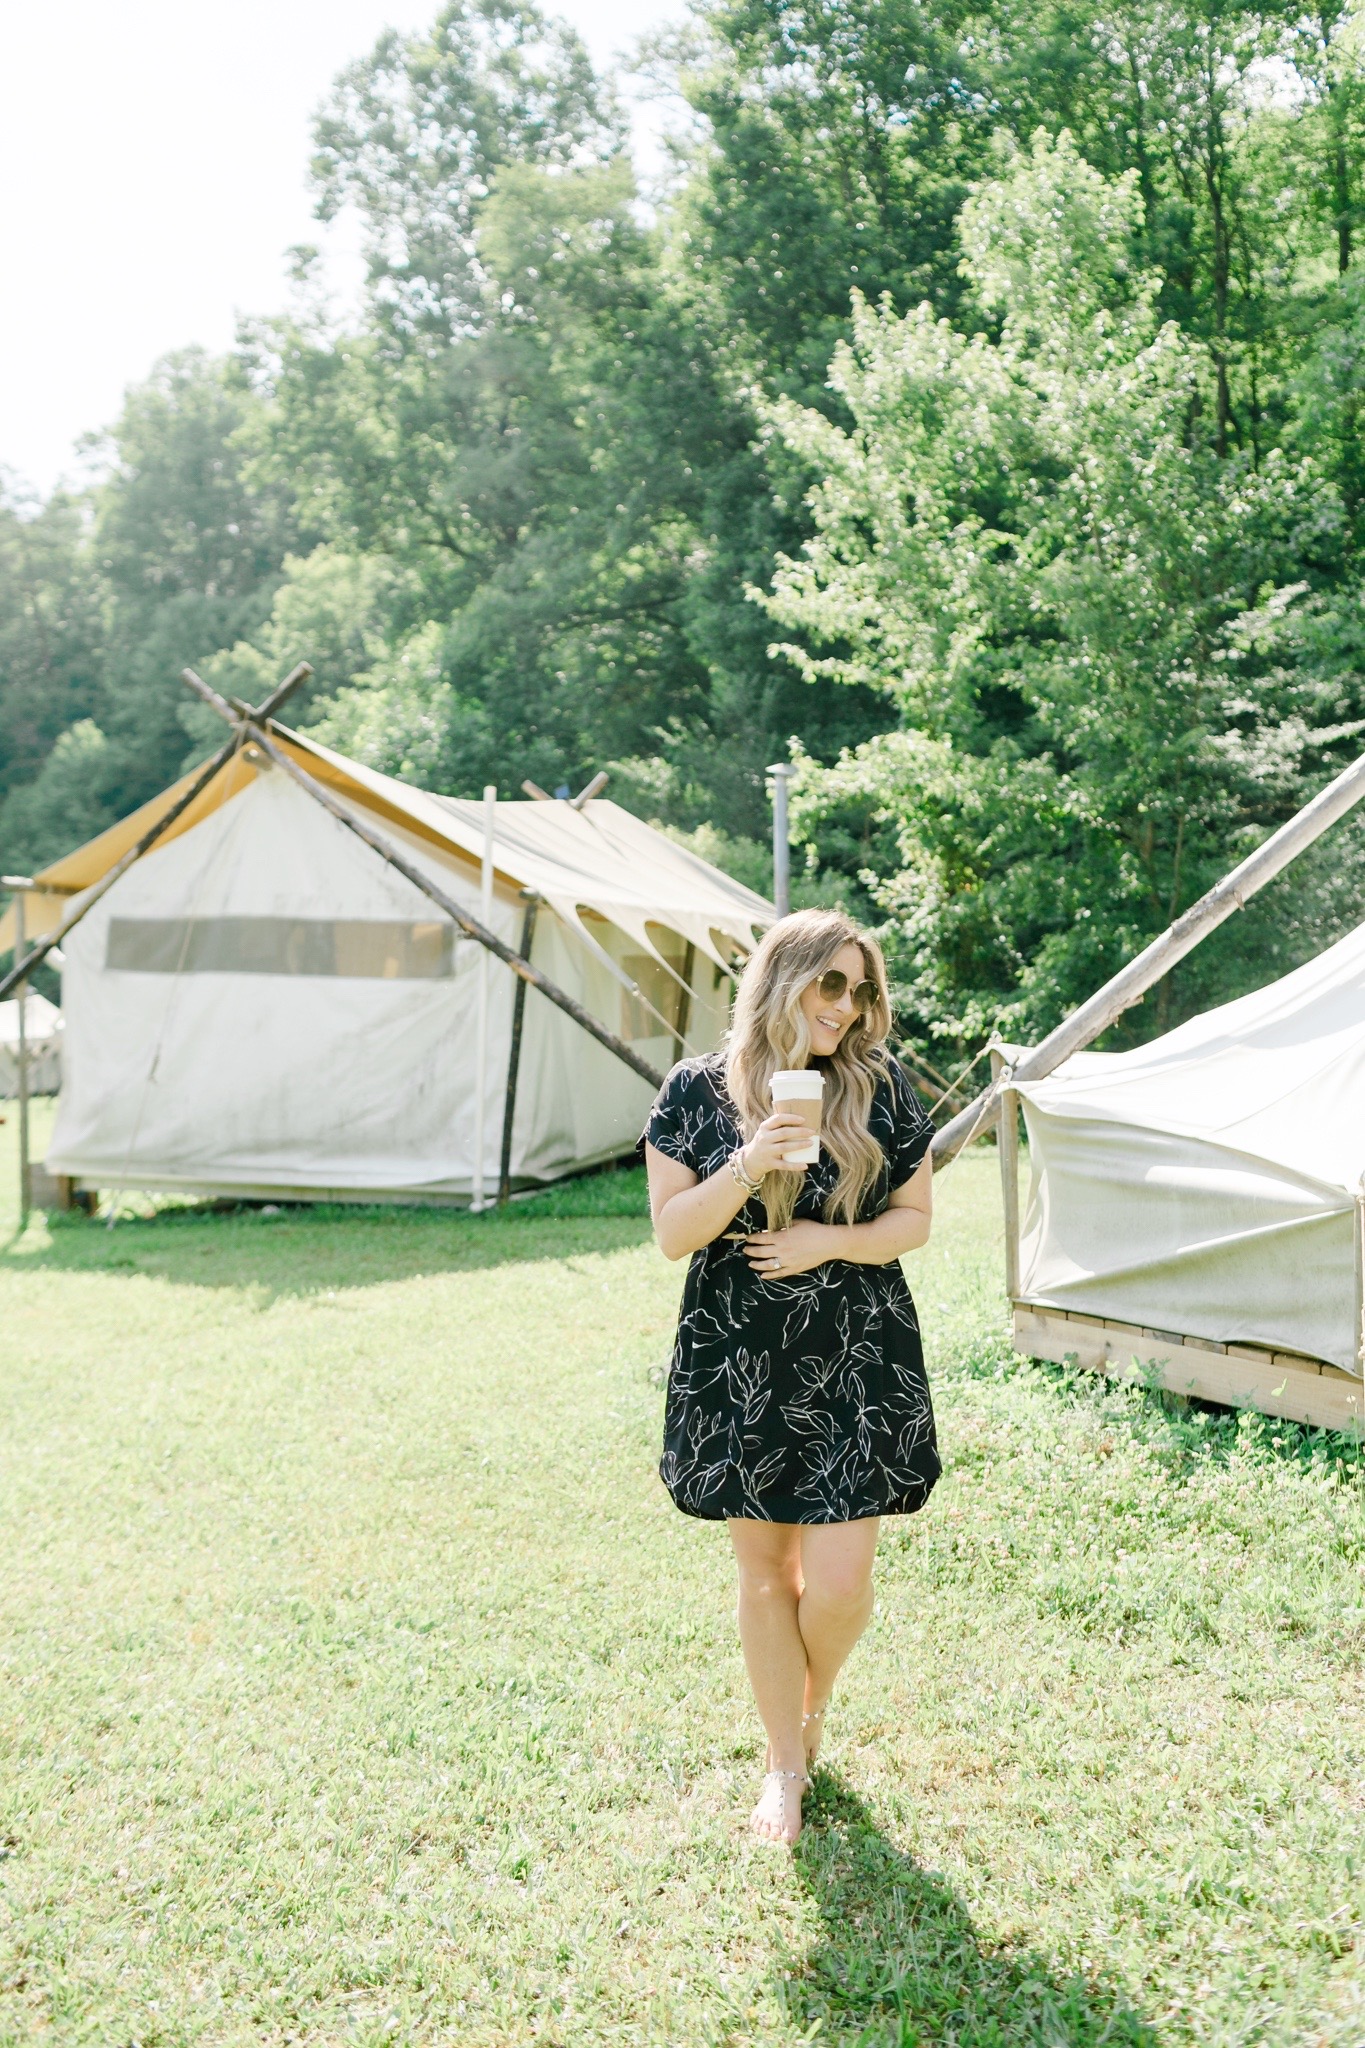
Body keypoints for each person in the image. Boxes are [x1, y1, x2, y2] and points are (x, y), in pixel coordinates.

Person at [643, 908, 939, 1846]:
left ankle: (802, 1716)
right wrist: (747, 1160)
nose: (849, 1009)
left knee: (841, 1584)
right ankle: (784, 1764)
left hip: (856, 1351)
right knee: (766, 1575)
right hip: (740, 1356)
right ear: (783, 979)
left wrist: (828, 1242)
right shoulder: (693, 1091)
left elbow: (914, 1221)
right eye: (832, 984)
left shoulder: (878, 1089)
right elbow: (671, 1233)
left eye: (862, 990)